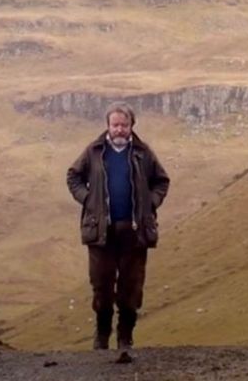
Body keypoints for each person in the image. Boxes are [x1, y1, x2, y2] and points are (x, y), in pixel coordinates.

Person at [66, 101, 170, 357]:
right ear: (108, 126)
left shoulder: (144, 153)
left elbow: (162, 181)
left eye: (124, 125)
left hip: (134, 233)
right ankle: (101, 338)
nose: (120, 129)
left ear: (132, 126)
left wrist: (150, 204)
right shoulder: (94, 151)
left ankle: (125, 338)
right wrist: (88, 199)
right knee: (101, 285)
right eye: (115, 125)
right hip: (101, 232)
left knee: (130, 287)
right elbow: (73, 176)